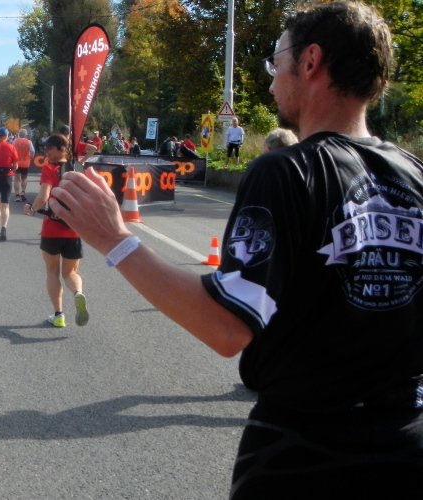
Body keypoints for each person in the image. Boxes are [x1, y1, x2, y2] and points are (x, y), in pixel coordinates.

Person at [48, 2, 423, 497]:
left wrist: (114, 240)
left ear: (311, 62)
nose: (270, 82)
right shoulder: (414, 175)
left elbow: (227, 327)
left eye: (276, 61)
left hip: (308, 452)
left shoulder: (288, 171)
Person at [22, 134, 89, 328]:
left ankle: (59, 315)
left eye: (49, 148)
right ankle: (78, 293)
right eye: (45, 148)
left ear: (61, 149)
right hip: (73, 228)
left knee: (52, 272)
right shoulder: (78, 169)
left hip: (52, 228)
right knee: (71, 272)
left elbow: (43, 197)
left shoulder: (49, 168)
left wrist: (32, 208)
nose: (46, 152)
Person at [13, 128, 35, 202]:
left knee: (16, 179)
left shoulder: (15, 141)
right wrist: (31, 156)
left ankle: (17, 195)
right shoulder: (28, 141)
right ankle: (23, 191)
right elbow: (32, 150)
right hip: (25, 162)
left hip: (17, 162)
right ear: (26, 135)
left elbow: (12, 150)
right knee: (24, 178)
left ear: (19, 134)